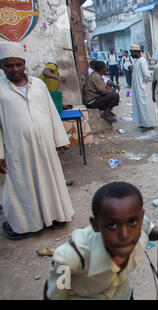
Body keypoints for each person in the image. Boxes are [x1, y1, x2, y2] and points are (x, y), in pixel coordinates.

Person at [44, 182, 158, 300]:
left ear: (140, 217)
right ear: (95, 225)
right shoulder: (70, 260)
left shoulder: (138, 223)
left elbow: (151, 231)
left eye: (132, 222)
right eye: (112, 225)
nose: (124, 235)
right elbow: (54, 295)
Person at [0, 42, 74, 240]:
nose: (14, 69)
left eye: (18, 64)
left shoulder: (39, 85)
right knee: (21, 185)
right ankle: (22, 225)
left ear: (24, 64)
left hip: (44, 144)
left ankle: (56, 216)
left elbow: (51, 113)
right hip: (17, 147)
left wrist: (60, 140)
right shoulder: (1, 89)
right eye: (8, 65)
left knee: (49, 179)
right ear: (2, 67)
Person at [130, 44, 158, 131]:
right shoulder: (136, 61)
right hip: (138, 88)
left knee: (146, 107)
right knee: (140, 106)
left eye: (132, 52)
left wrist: (143, 85)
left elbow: (147, 75)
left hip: (143, 89)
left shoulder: (142, 61)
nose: (131, 54)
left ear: (136, 52)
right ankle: (143, 123)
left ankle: (149, 124)